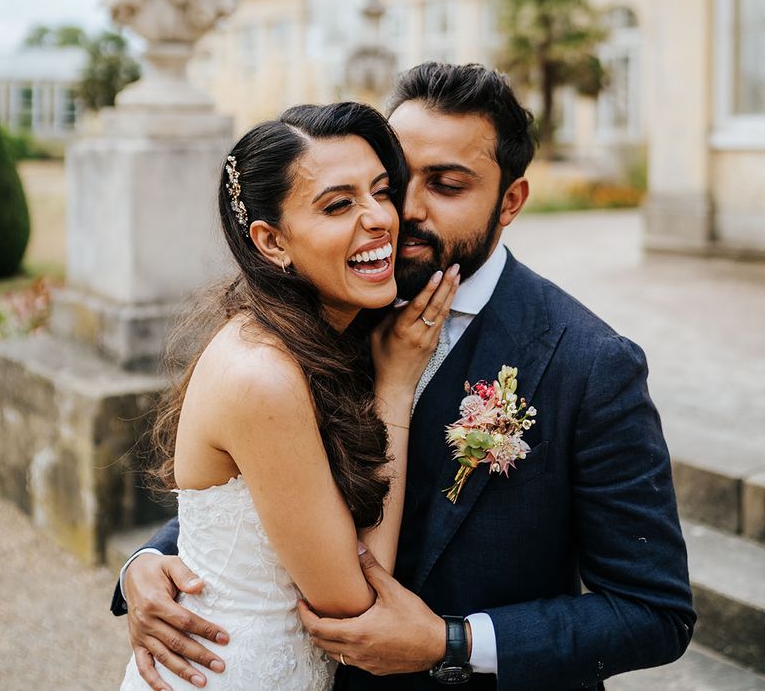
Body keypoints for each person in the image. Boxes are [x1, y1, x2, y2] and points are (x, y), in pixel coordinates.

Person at [113, 63, 695, 691]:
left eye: (446, 185)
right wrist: (147, 563)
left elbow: (653, 612)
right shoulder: (335, 306)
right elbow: (263, 483)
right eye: (396, 180)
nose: (401, 212)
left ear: (511, 202)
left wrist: (454, 642)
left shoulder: (589, 363)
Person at [117, 100, 460, 690]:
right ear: (272, 242)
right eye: (338, 203)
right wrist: (397, 385)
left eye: (381, 191)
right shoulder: (262, 374)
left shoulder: (317, 332)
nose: (380, 217)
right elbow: (352, 603)